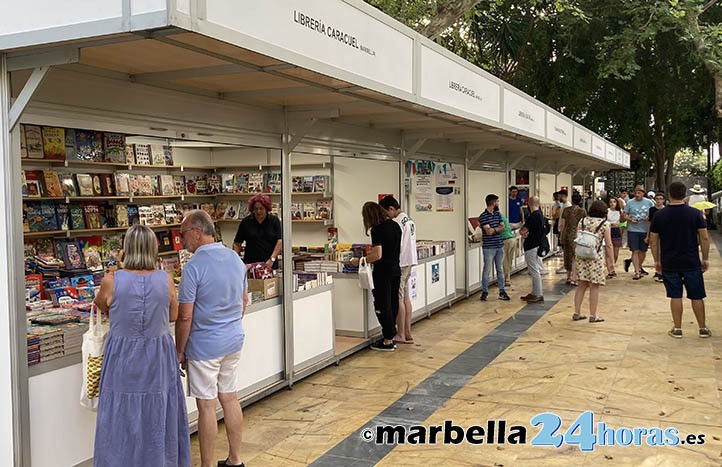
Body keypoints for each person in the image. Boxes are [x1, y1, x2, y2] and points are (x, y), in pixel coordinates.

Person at [93, 224, 191, 467]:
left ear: (126, 249)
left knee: (120, 413)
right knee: (158, 410)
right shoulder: (165, 280)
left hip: (122, 357)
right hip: (158, 355)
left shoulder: (111, 281)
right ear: (152, 249)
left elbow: (102, 306)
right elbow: (172, 316)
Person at [176, 210, 248, 467]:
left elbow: (185, 316)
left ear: (197, 232)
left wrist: (179, 350)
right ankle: (235, 460)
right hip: (232, 341)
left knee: (206, 406)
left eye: (183, 234)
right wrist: (229, 326)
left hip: (205, 346)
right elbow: (243, 302)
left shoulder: (193, 267)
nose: (182, 240)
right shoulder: (235, 259)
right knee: (229, 398)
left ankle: (206, 464)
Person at [649, 181, 710, 338]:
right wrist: (705, 258)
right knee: (697, 295)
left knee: (675, 295)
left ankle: (677, 328)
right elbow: (704, 238)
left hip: (669, 261)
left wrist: (656, 260)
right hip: (691, 260)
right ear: (685, 195)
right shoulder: (695, 214)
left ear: (669, 194)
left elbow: (653, 240)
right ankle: (702, 328)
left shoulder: (659, 215)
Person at [352, 202, 402, 351]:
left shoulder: (377, 230)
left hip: (383, 272)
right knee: (393, 303)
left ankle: (387, 339)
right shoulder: (395, 226)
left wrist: (360, 261)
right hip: (395, 269)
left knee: (382, 304)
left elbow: (378, 254)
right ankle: (391, 335)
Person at [379, 196, 417, 344]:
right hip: (410, 261)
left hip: (401, 262)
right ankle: (407, 332)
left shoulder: (397, 223)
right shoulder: (409, 220)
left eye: (385, 212)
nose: (385, 216)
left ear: (391, 209)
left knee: (398, 298)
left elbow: (396, 245)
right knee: (406, 297)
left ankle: (400, 334)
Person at [572, 201, 613, 323]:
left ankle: (577, 312)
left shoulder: (583, 221)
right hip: (596, 258)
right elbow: (609, 244)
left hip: (581, 256)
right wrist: (611, 261)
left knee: (582, 285)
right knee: (594, 287)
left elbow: (577, 238)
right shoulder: (605, 224)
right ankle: (593, 315)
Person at [232, 193, 282, 269]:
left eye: (261, 208)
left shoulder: (274, 221)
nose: (258, 212)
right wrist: (236, 260)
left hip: (269, 264)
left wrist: (272, 259)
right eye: (256, 209)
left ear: (266, 208)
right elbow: (237, 243)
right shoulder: (246, 222)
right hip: (250, 265)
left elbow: (279, 241)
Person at [479, 194, 511, 301]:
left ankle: (502, 291)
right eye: (497, 202)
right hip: (489, 247)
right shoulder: (483, 216)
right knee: (487, 270)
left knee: (500, 269)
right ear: (493, 203)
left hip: (499, 246)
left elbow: (503, 228)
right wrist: (497, 229)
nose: (498, 204)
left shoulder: (498, 214)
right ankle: (484, 292)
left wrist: (495, 229)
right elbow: (488, 232)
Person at [623, 185, 654, 280]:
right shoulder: (630, 202)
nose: (637, 195)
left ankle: (639, 267)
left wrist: (648, 218)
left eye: (639, 193)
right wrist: (630, 219)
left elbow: (654, 214)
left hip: (645, 230)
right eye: (635, 193)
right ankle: (637, 271)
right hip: (633, 230)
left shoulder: (649, 203)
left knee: (643, 251)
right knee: (635, 250)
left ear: (643, 193)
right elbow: (624, 215)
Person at [519, 196, 545, 303]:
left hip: (531, 246)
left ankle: (538, 294)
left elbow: (523, 230)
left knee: (534, 270)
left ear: (529, 204)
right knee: (534, 269)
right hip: (537, 244)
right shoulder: (540, 216)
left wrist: (522, 232)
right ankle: (535, 292)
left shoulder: (533, 216)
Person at [560, 193, 586, 285]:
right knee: (577, 256)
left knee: (567, 255)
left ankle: (568, 276)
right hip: (577, 234)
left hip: (567, 234)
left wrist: (561, 235)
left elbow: (563, 224)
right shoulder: (582, 211)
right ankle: (577, 276)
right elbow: (584, 225)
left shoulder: (566, 210)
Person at [647, 191, 666, 283]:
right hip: (654, 233)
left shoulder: (666, 210)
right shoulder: (652, 210)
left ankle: (662, 272)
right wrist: (648, 235)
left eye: (660, 199)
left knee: (663, 253)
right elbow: (650, 223)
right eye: (657, 198)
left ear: (664, 200)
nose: (658, 200)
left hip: (664, 234)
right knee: (655, 253)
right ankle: (658, 270)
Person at [605, 196, 623, 277]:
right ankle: (610, 270)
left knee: (615, 253)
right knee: (608, 252)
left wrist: (620, 226)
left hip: (616, 231)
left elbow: (623, 222)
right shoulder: (606, 211)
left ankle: (613, 266)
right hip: (608, 230)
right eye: (611, 202)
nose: (612, 204)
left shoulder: (619, 211)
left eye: (614, 202)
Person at [555, 189, 571, 273]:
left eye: (559, 196)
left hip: (564, 229)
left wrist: (562, 231)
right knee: (563, 248)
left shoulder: (567, 205)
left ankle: (567, 265)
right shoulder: (563, 205)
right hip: (561, 228)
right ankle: (565, 265)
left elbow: (565, 219)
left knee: (565, 248)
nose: (558, 197)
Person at [500, 211, 516, 288]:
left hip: (505, 240)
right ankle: (507, 278)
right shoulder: (502, 216)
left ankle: (506, 280)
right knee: (509, 260)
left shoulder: (497, 218)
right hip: (512, 239)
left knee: (505, 261)